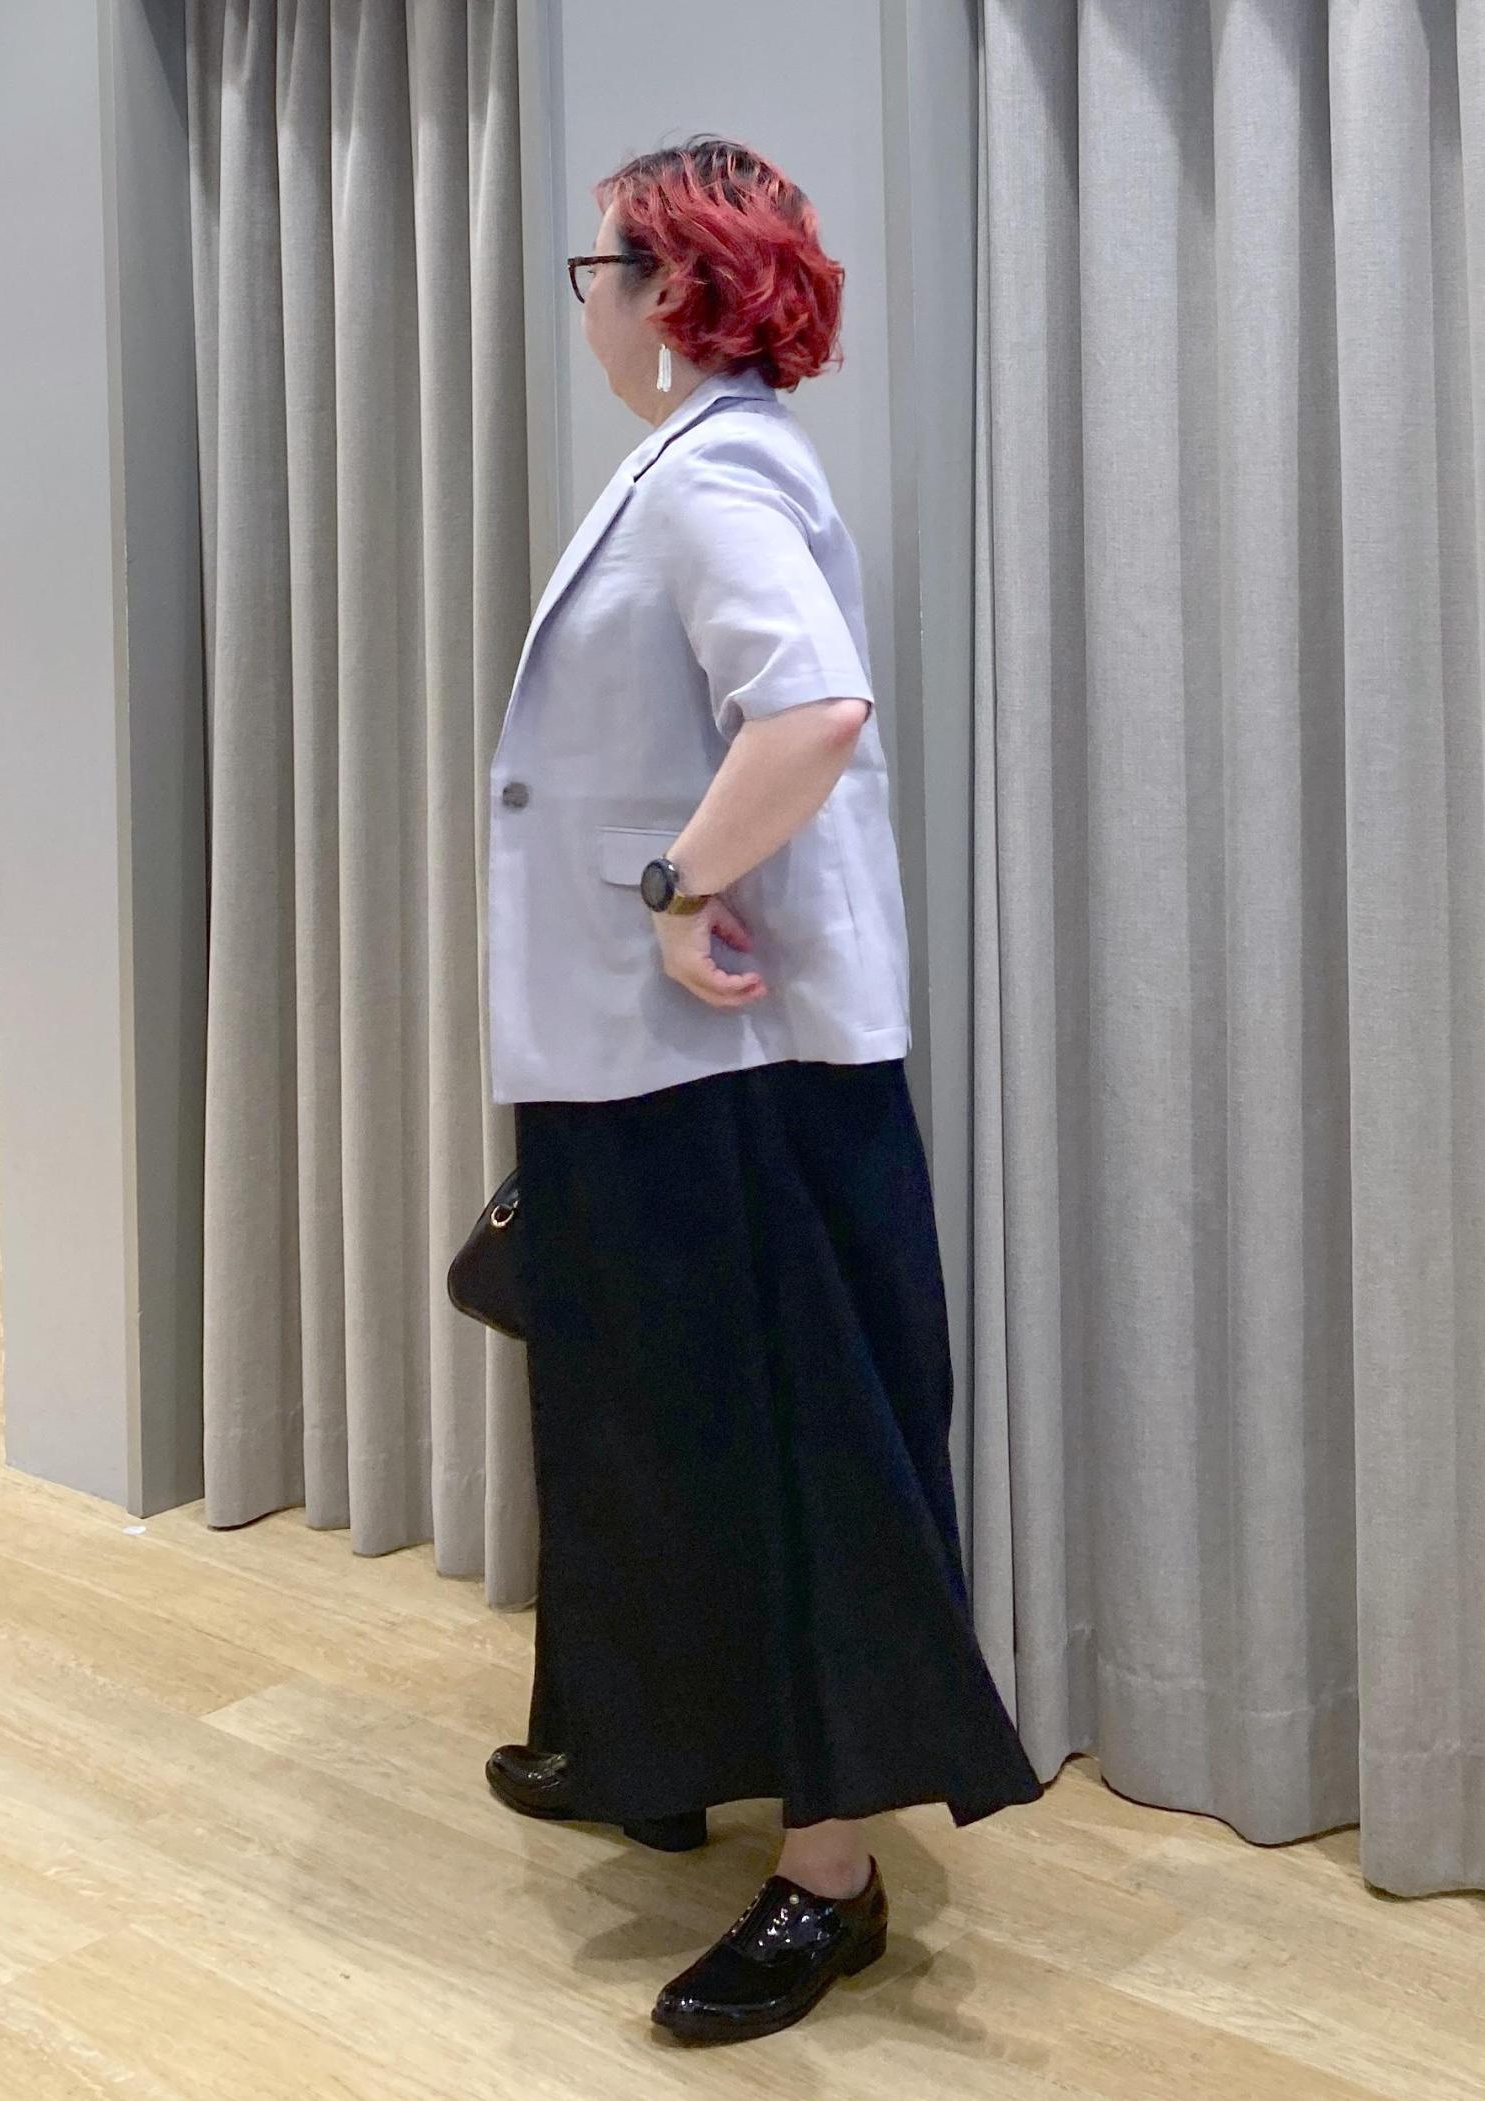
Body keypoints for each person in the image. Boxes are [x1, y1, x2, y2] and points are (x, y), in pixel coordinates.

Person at [483, 135, 1044, 2046]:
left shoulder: (718, 476)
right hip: (651, 1068)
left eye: (598, 269)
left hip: (739, 1070)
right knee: (645, 1426)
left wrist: (678, 888)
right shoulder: (685, 463)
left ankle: (831, 1877)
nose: (586, 304)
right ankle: (649, 1744)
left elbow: (809, 711)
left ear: (668, 287)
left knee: (798, 1459)